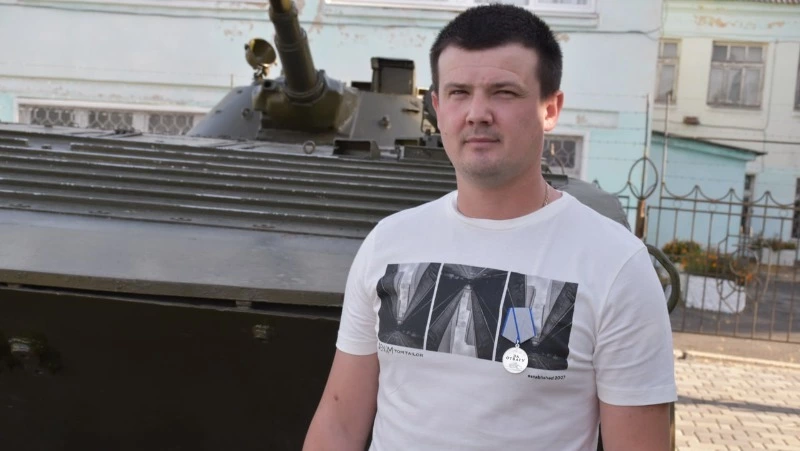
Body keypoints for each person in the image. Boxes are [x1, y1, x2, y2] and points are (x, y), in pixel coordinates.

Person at [303, 4, 677, 450]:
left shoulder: (616, 265)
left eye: (504, 92)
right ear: (438, 107)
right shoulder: (388, 243)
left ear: (550, 109)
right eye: (459, 92)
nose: (477, 113)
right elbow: (339, 423)